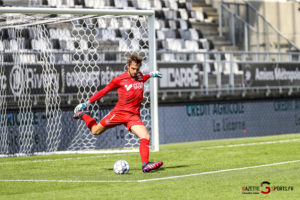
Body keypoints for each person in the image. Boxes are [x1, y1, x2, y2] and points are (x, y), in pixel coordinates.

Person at [73, 54, 163, 173]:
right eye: (133, 69)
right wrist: (86, 103)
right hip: (118, 113)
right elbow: (104, 91)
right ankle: (82, 115)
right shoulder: (119, 79)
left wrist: (151, 75)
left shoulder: (140, 76)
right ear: (128, 66)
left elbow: (143, 77)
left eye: (137, 69)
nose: (135, 72)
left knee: (145, 136)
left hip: (133, 116)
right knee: (95, 131)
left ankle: (145, 165)